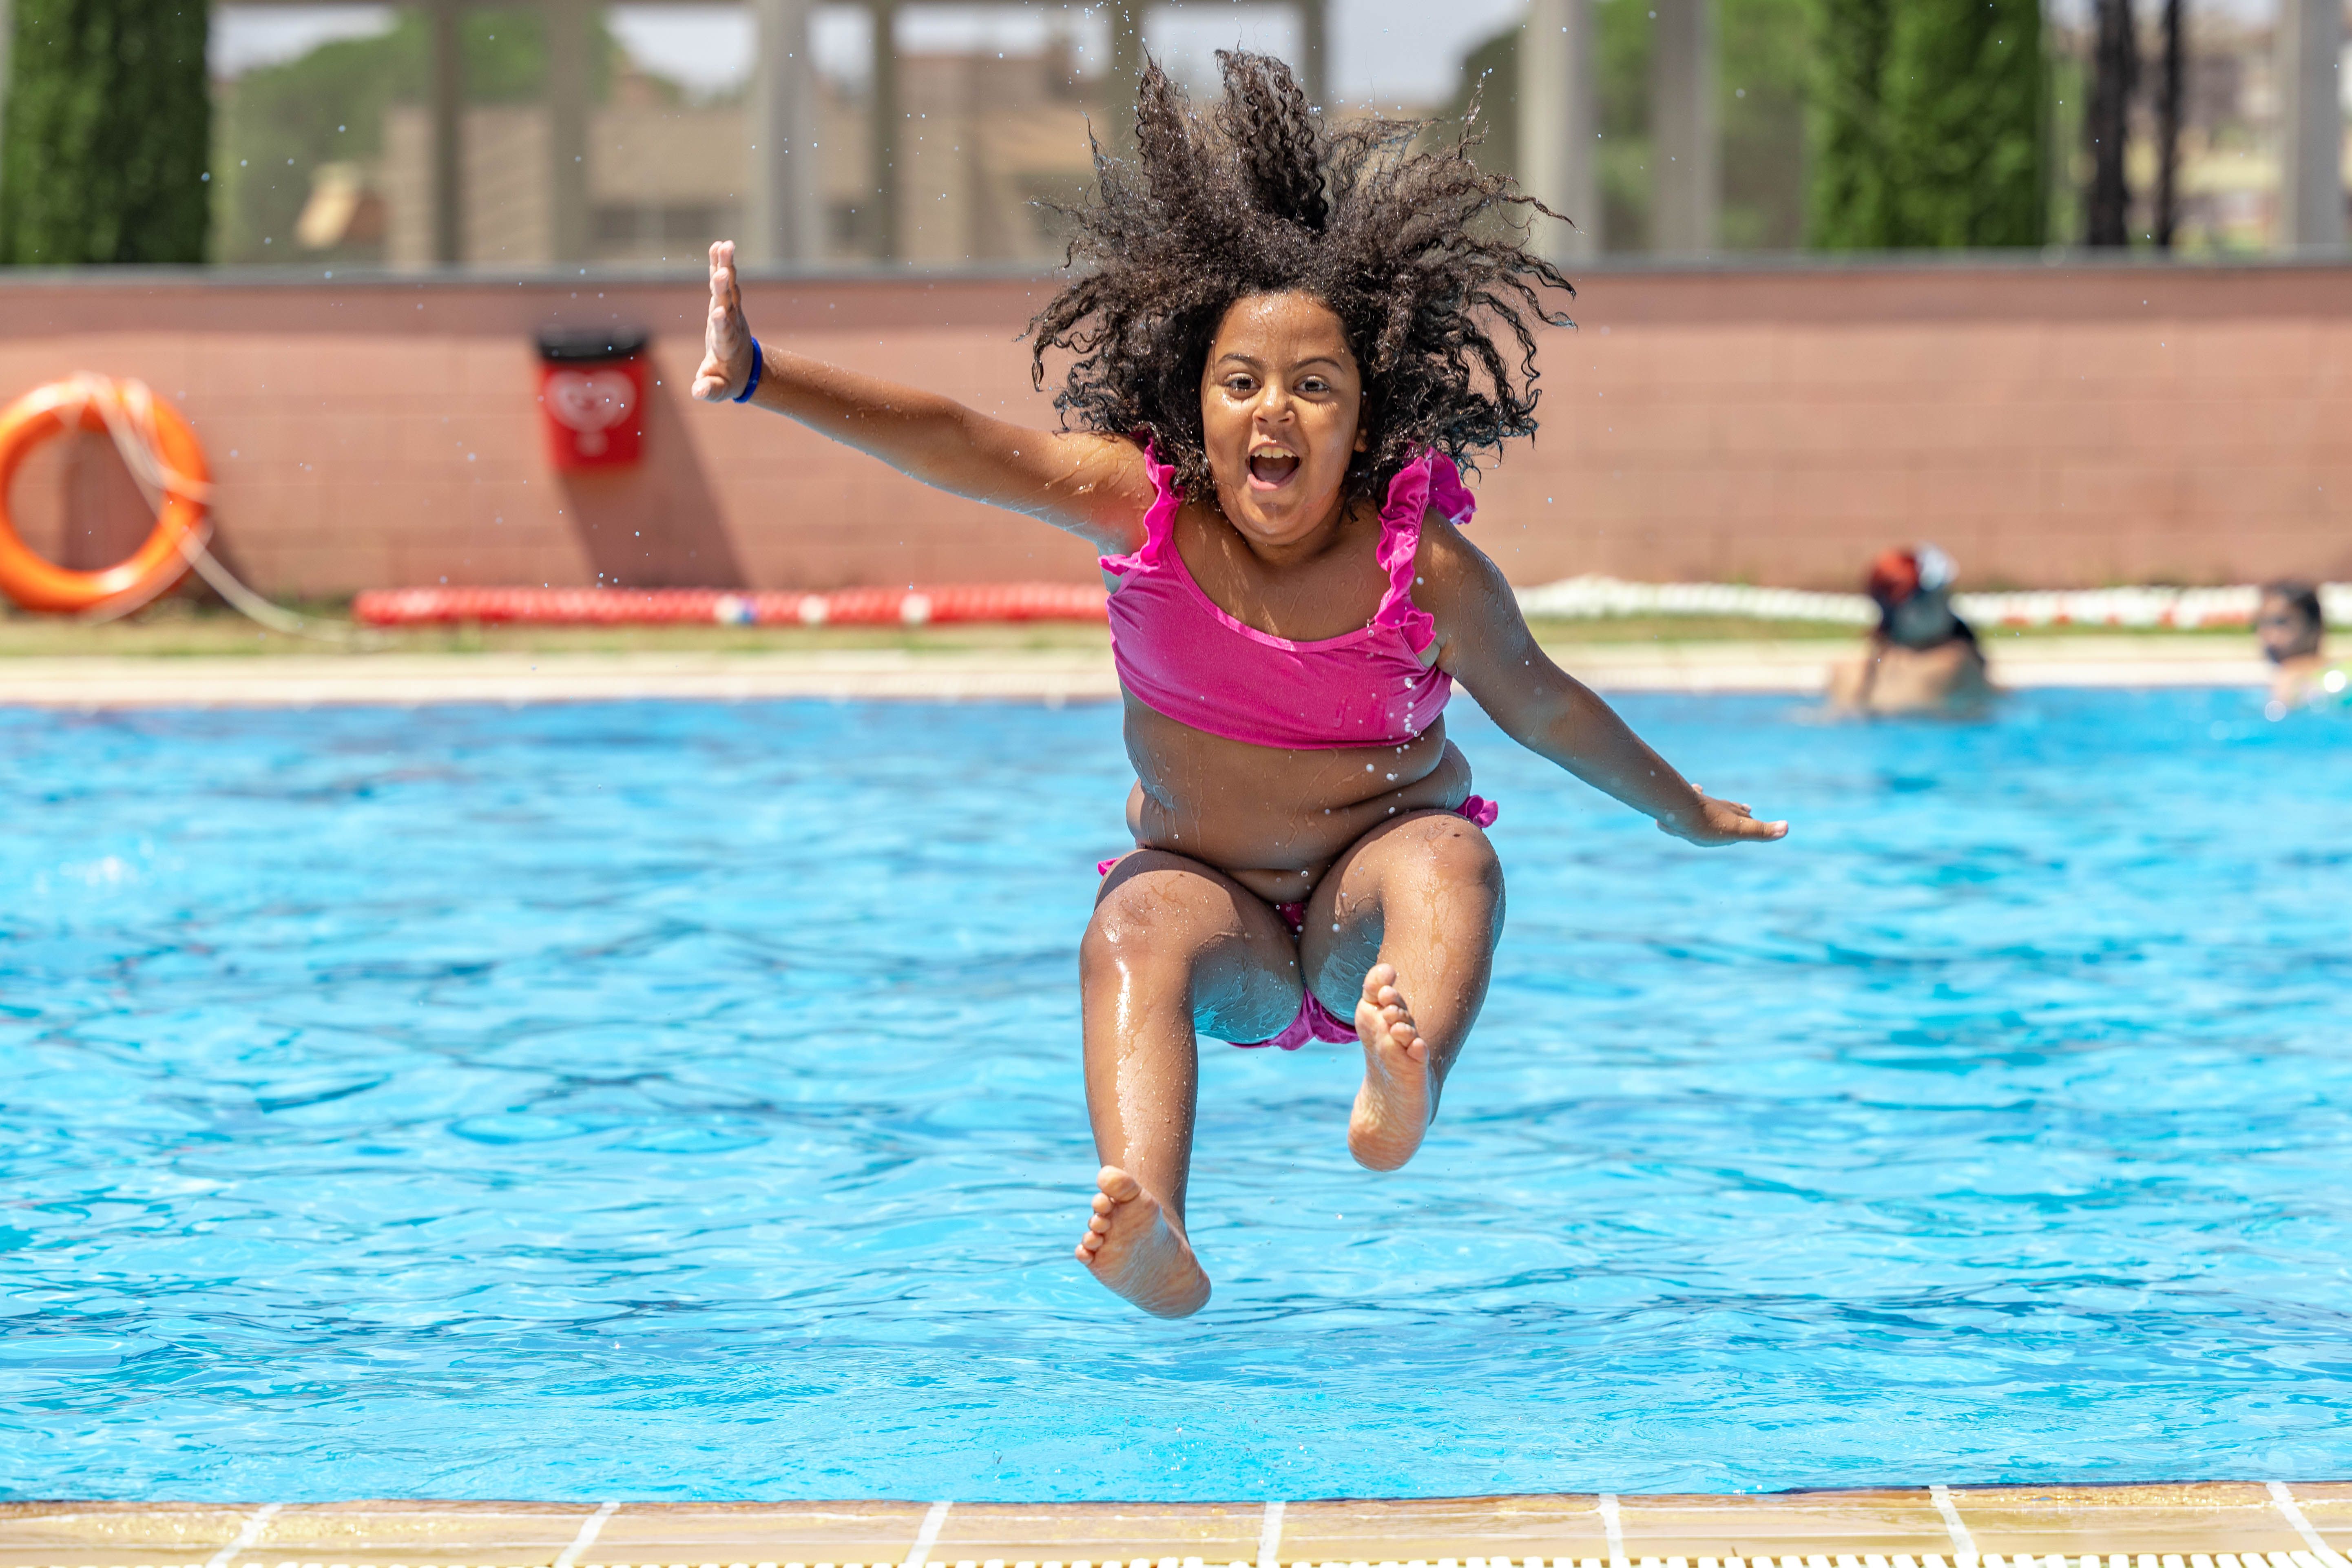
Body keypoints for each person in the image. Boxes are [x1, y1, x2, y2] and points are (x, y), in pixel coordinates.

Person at [691, 53, 1786, 1318]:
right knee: (1127, 929)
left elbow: (1536, 700)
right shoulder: (1138, 511)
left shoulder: (1419, 566)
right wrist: (766, 374)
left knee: (1455, 864)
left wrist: (1678, 806)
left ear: (1368, 416)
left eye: (1315, 386)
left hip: (1358, 905)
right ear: (1188, 402)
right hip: (1214, 912)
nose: (1276, 409)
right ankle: (1149, 1212)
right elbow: (961, 445)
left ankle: (1403, 1073)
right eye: (1241, 381)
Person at [1827, 544, 1994, 716]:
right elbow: (1992, 706)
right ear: (1908, 609)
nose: (1948, 606)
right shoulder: (1956, 663)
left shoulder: (1844, 666)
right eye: (1938, 597)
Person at [2255, 579, 2343, 712]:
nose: (2269, 636)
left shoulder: (2290, 677)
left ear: (2314, 627)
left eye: (2281, 623)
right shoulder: (2338, 673)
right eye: (2263, 623)